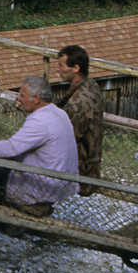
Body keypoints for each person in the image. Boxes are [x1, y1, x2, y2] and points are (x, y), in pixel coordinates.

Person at [0, 75, 77, 216]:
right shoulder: (59, 113)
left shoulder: (40, 121)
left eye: (22, 96)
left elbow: (11, 148)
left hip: (41, 186)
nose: (19, 99)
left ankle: (3, 219)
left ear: (36, 98)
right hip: (57, 183)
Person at [54, 44, 105, 195]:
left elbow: (59, 137)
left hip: (80, 171)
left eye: (61, 66)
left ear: (75, 68)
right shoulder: (90, 85)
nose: (57, 70)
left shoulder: (77, 105)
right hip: (89, 164)